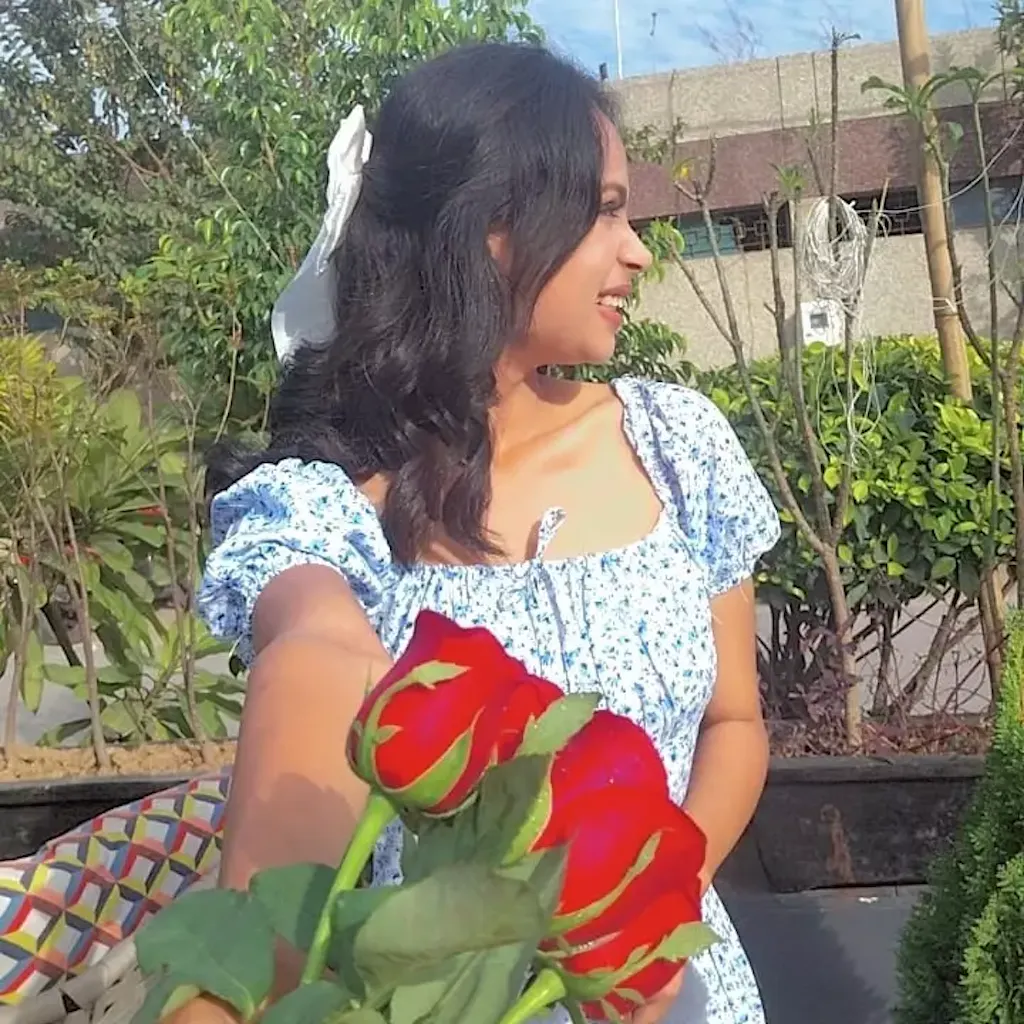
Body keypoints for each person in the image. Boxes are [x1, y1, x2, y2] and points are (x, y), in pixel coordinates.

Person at [188, 41, 781, 1024]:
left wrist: (645, 909)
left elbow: (734, 723)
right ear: (490, 229)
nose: (637, 250)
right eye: (604, 210)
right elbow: (317, 647)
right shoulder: (333, 496)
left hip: (665, 994)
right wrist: (243, 982)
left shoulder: (679, 448)